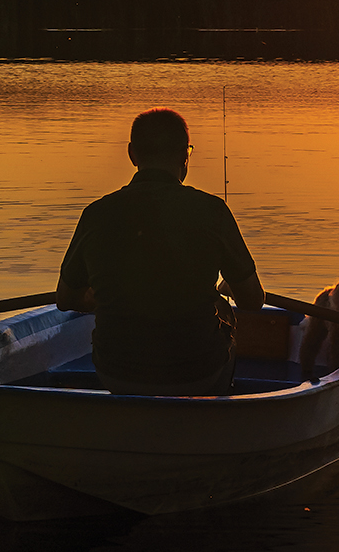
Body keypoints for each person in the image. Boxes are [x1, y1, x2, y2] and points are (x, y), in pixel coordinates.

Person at [56, 108, 264, 395]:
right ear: (184, 156)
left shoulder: (96, 214)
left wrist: (104, 296)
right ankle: (214, 414)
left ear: (132, 155)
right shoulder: (212, 211)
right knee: (224, 310)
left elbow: (65, 299)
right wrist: (228, 288)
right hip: (197, 375)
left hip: (116, 374)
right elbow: (253, 300)